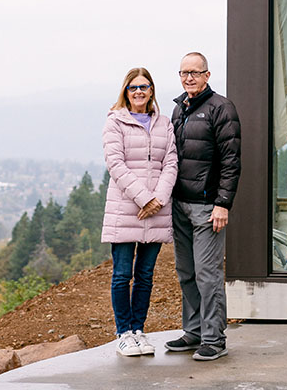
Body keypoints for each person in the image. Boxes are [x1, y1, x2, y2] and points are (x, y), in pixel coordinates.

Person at [165, 51, 241, 361]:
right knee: (186, 271)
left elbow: (231, 161)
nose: (189, 78)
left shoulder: (221, 109)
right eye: (184, 72)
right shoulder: (178, 109)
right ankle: (194, 332)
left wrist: (223, 203)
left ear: (207, 75)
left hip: (208, 207)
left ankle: (214, 340)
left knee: (207, 274)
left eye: (195, 72)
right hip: (179, 205)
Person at [101, 67, 178, 357]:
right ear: (126, 91)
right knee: (122, 274)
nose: (139, 92)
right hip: (126, 209)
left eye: (144, 87)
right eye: (133, 87)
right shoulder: (114, 123)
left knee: (145, 275)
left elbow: (171, 162)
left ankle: (138, 330)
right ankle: (123, 333)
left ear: (151, 91)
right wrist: (145, 198)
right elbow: (116, 164)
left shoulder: (164, 123)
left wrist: (158, 199)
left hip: (156, 209)